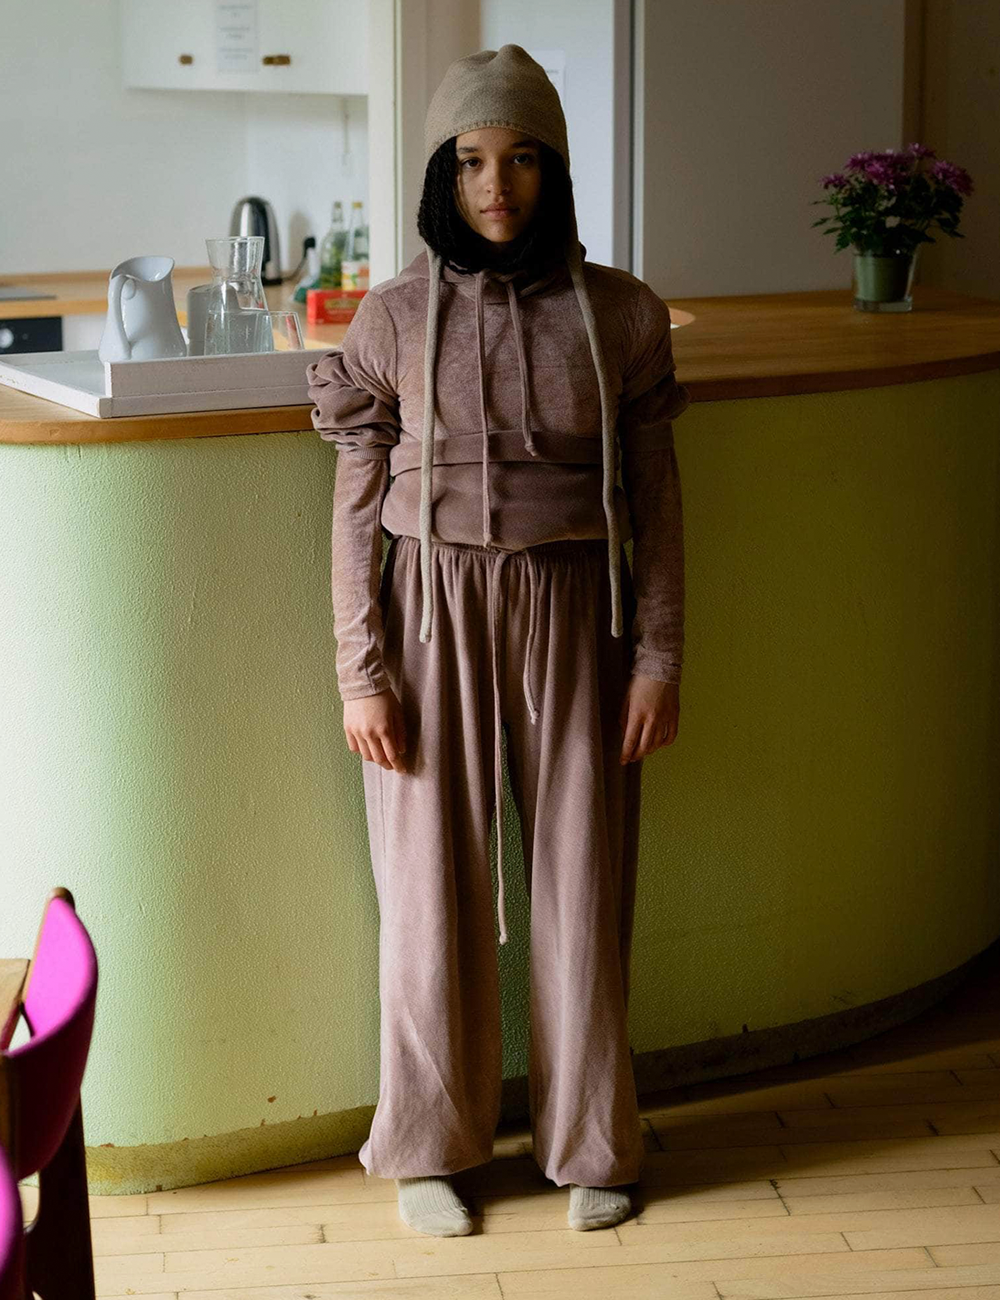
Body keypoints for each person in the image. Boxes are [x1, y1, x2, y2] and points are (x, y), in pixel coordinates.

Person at [307, 44, 691, 1238]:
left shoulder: (621, 313)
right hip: (429, 611)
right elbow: (355, 501)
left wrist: (659, 657)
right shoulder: (392, 314)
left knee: (581, 881)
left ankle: (593, 1139)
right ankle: (429, 1144)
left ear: (554, 170)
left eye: (522, 159)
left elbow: (657, 496)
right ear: (441, 173)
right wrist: (360, 670)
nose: (496, 186)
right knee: (429, 889)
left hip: (578, 610)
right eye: (470, 161)